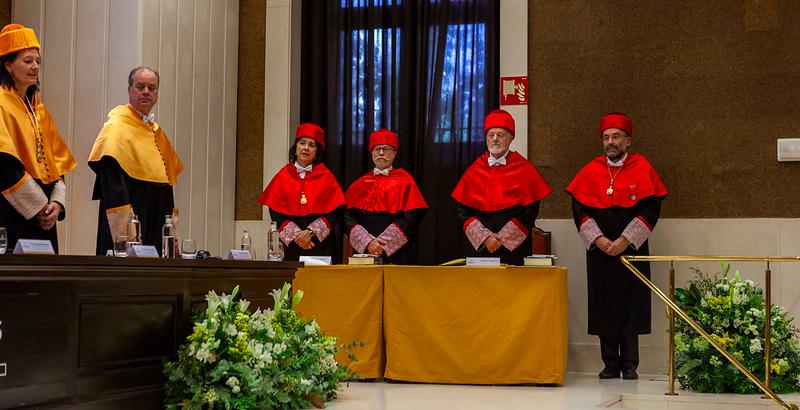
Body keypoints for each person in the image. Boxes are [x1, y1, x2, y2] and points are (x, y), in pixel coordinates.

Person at [566, 112, 668, 380]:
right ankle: (610, 362)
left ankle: (630, 364)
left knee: (631, 304)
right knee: (604, 304)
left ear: (628, 140)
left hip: (632, 250)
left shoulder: (642, 166)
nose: (610, 142)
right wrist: (599, 240)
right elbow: (579, 209)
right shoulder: (590, 170)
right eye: (606, 137)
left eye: (616, 137)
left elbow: (651, 208)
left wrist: (626, 240)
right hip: (599, 250)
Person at [88, 66, 183, 255]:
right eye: (140, 87)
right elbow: (113, 187)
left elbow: (166, 185)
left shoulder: (156, 132)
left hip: (155, 221)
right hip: (129, 226)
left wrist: (171, 236)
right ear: (130, 90)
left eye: (152, 87)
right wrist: (127, 237)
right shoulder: (116, 127)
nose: (146, 92)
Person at [0, 23, 76, 253]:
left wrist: (56, 203)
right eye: (27, 61)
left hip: (44, 214)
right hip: (12, 209)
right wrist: (40, 206)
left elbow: (55, 163)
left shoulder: (38, 108)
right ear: (7, 65)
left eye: (38, 61)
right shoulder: (2, 102)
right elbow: (3, 164)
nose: (35, 67)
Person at [451, 109, 552, 265]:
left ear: (510, 138)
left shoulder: (524, 168)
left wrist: (502, 239)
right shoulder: (474, 169)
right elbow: (462, 211)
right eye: (491, 135)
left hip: (513, 249)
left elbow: (531, 210)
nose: (495, 139)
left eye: (500, 135)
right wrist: (485, 238)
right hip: (480, 248)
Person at [258, 123, 345, 262]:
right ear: (295, 148)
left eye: (312, 145)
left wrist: (311, 233)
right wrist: (297, 236)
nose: (306, 148)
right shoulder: (283, 175)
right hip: (292, 245)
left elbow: (334, 212)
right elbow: (274, 211)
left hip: (320, 244)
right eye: (302, 143)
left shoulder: (326, 176)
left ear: (317, 152)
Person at [344, 129, 427, 264]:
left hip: (397, 253)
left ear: (394, 153)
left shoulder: (406, 181)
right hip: (365, 252)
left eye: (386, 149)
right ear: (372, 153)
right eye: (377, 149)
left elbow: (410, 217)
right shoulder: (359, 184)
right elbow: (348, 217)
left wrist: (383, 244)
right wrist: (368, 242)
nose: (381, 153)